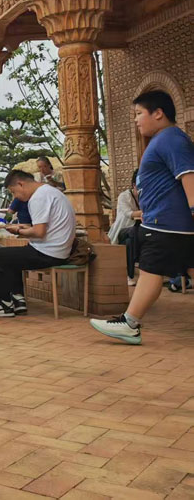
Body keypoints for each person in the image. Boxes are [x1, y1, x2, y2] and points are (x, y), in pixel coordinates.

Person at [91, 91, 194, 344]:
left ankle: (130, 323)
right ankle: (130, 323)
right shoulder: (164, 139)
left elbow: (189, 176)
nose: (136, 120)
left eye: (139, 113)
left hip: (166, 224)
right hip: (169, 224)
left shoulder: (171, 139)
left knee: (150, 270)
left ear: (158, 113)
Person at [0, 169, 76, 317]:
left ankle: (3, 305)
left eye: (14, 192)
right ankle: (18, 300)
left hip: (49, 253)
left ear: (20, 184)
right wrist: (25, 227)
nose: (15, 196)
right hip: (59, 250)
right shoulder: (50, 192)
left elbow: (39, 232)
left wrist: (18, 231)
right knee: (11, 256)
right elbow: (43, 228)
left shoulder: (38, 197)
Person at [108, 168, 142, 286]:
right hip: (122, 231)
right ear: (134, 185)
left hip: (136, 232)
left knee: (130, 241)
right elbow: (129, 214)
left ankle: (130, 274)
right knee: (133, 232)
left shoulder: (145, 196)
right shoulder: (124, 196)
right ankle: (132, 271)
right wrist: (146, 212)